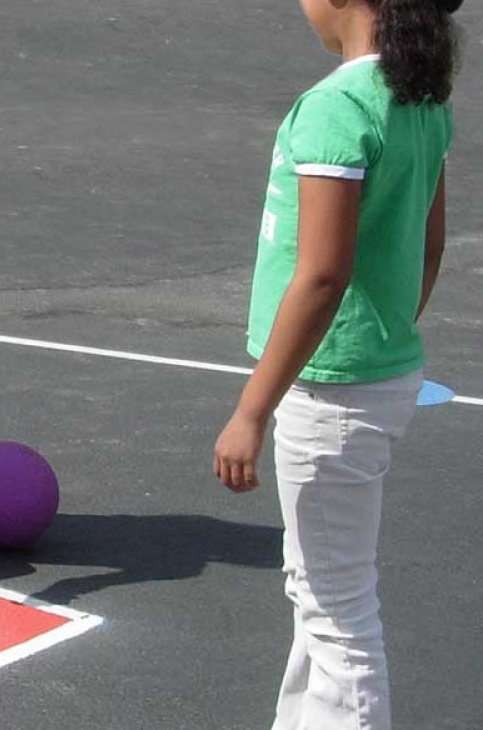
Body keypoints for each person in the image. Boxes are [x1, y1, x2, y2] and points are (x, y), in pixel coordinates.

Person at [213, 0, 462, 727]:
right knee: (319, 593)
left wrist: (251, 411)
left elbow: (321, 275)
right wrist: (383, 336)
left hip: (330, 392)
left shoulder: (336, 107)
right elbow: (430, 244)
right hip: (376, 375)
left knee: (337, 614)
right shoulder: (420, 98)